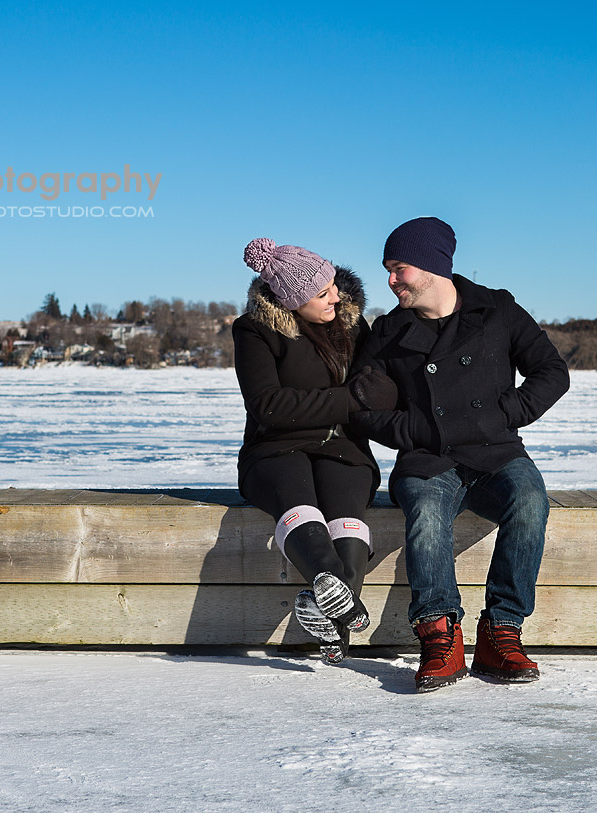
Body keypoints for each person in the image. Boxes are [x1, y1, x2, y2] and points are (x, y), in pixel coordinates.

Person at [351, 217, 570, 691]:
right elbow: (363, 408)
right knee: (427, 512)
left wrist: (502, 413)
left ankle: (501, 634)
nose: (390, 281)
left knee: (529, 500)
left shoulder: (498, 311)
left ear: (430, 266)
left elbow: (552, 372)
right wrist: (416, 428)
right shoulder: (388, 333)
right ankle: (439, 639)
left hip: (496, 450)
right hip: (427, 456)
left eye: (398, 268)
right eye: (388, 269)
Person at [234, 238, 398, 664]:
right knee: (298, 498)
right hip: (275, 450)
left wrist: (370, 397)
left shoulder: (351, 325)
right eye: (322, 293)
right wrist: (350, 399)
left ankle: (334, 619)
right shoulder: (254, 331)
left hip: (342, 447)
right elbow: (269, 406)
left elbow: (377, 388)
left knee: (347, 509)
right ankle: (341, 604)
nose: (335, 296)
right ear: (291, 302)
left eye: (333, 286)